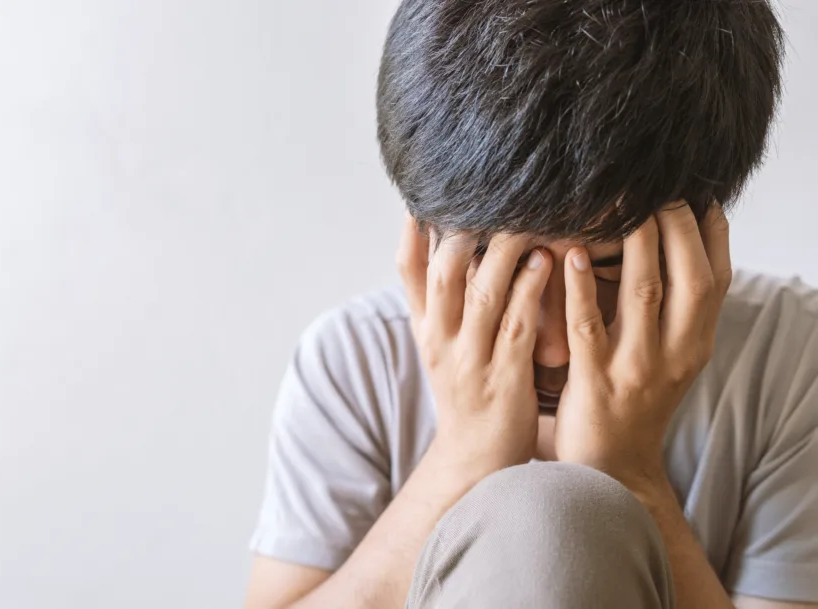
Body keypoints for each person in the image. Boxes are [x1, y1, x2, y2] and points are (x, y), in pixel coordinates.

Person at [245, 1, 817, 608]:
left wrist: (629, 474)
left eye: (610, 269)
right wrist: (461, 459)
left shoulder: (791, 364)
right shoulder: (355, 365)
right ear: (425, 236)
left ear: (705, 237)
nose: (551, 343)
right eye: (502, 268)